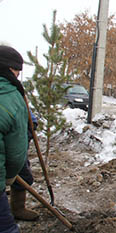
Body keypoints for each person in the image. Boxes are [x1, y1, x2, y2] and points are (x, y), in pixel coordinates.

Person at [0, 45, 28, 232]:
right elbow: (16, 153)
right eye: (17, 69)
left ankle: (18, 208)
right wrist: (8, 177)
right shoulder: (11, 97)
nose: (18, 74)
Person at [10, 110, 39, 221]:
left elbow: (32, 121)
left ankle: (18, 208)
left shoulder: (14, 95)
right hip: (10, 136)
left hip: (18, 135)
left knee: (23, 175)